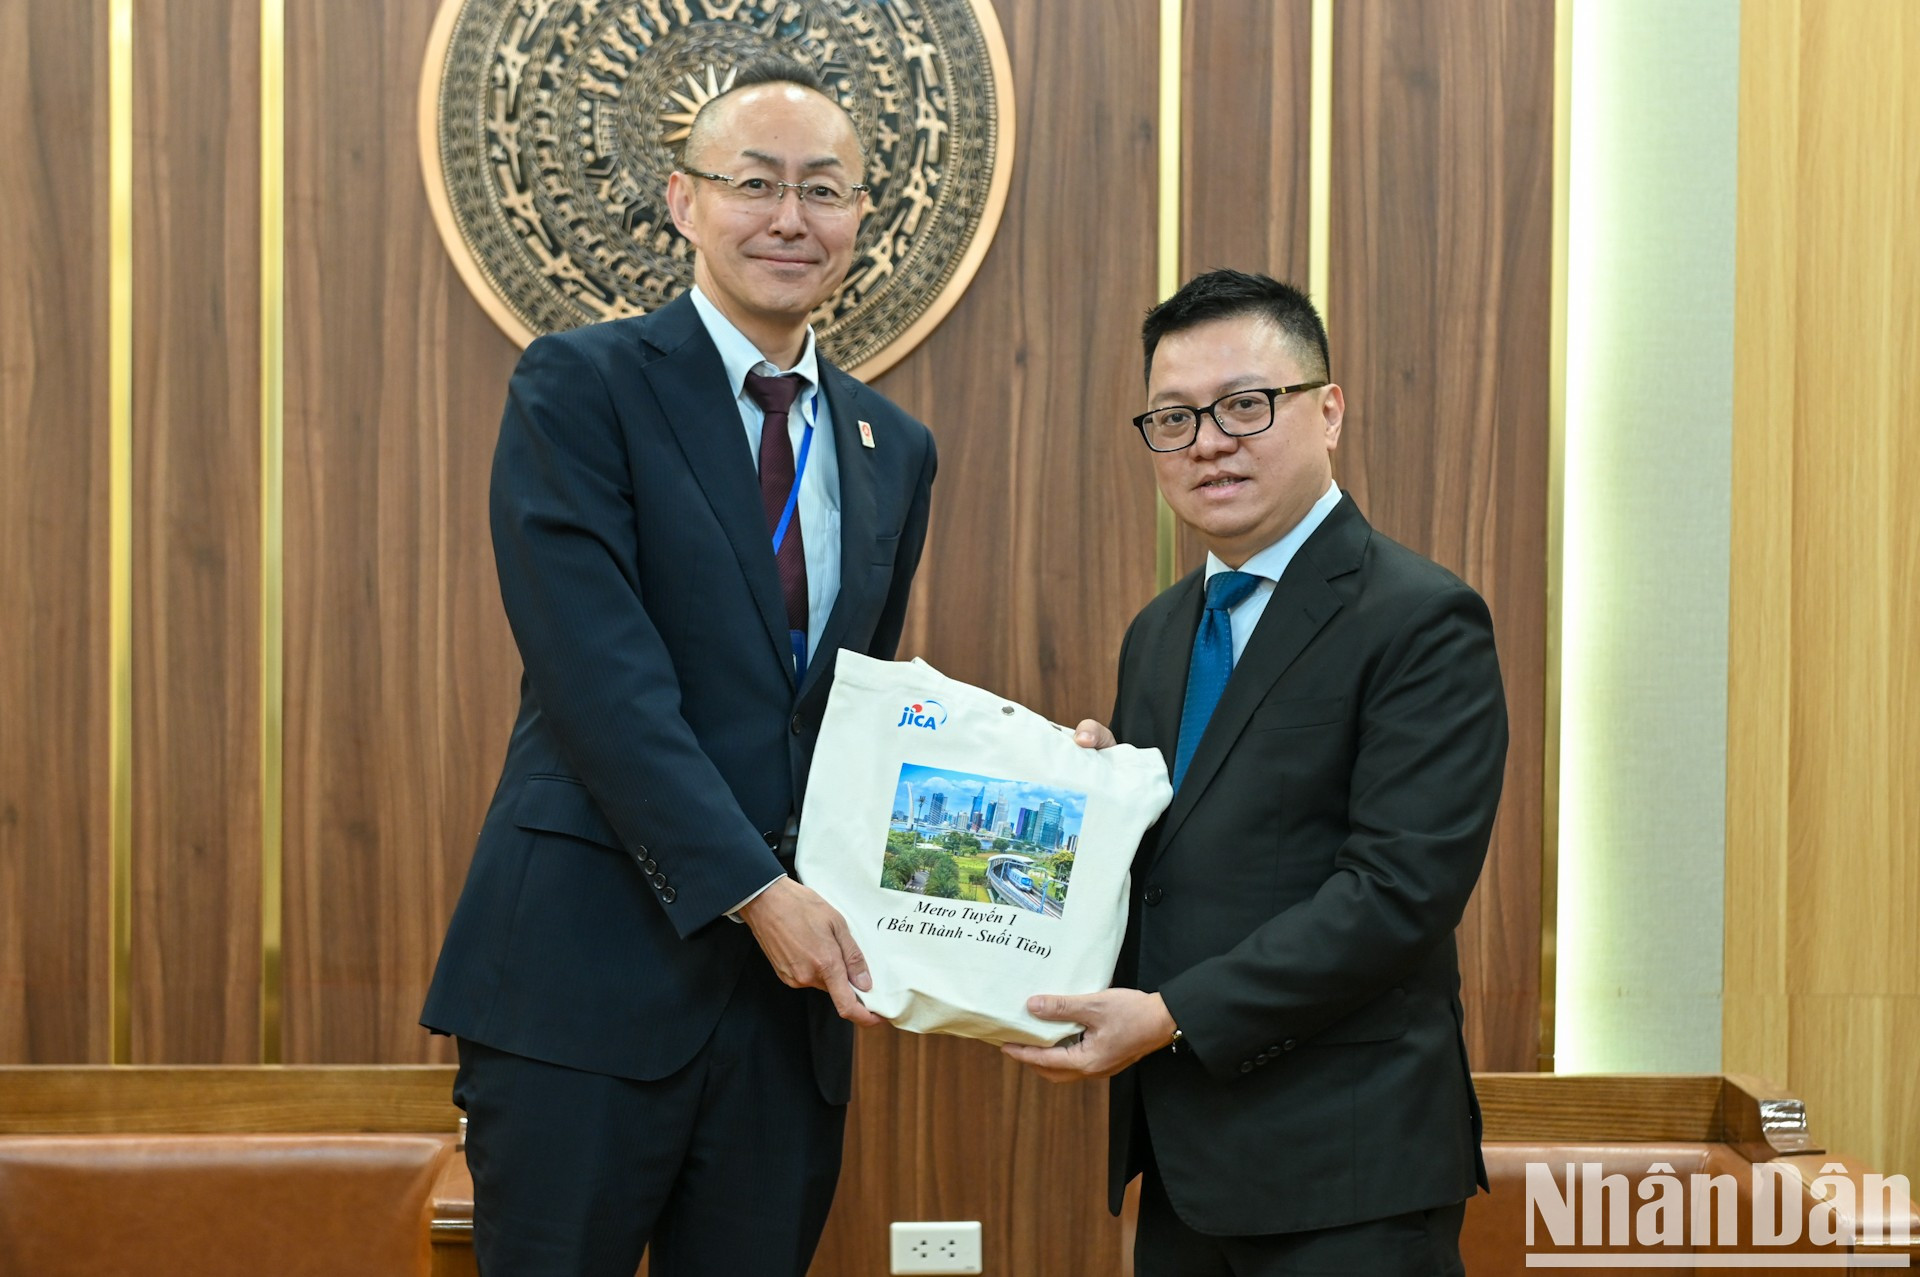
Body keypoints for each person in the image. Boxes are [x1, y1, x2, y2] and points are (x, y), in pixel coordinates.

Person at [421, 59, 937, 1277]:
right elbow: (603, 683)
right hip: (582, 984)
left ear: (861, 215)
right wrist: (759, 894)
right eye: (754, 183)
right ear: (682, 200)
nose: (790, 217)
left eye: (824, 189)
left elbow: (848, 712)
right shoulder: (581, 385)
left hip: (784, 1022)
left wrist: (1024, 767)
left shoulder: (893, 445)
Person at [1005, 269, 1507, 1276]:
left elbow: (1396, 894)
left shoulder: (1419, 617)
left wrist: (1170, 1013)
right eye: (1175, 417)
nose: (1207, 442)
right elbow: (1179, 860)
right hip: (1187, 1159)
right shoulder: (1159, 631)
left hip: (1349, 1169)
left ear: (1327, 411)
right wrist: (1097, 808)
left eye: (1245, 405)